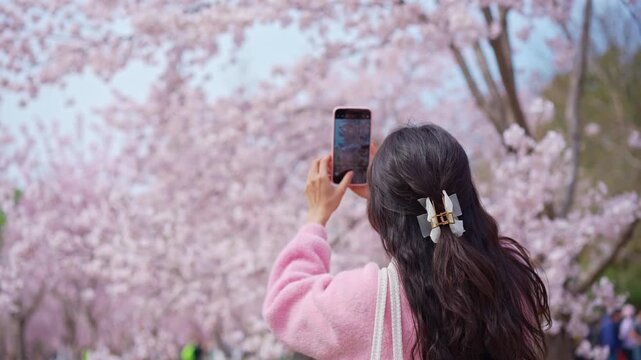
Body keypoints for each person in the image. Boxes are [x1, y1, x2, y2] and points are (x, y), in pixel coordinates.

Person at [263, 124, 550, 359]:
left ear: (380, 213)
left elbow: (284, 302)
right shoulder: (509, 276)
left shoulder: (371, 299)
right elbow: (443, 244)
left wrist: (317, 216)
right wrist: (389, 203)